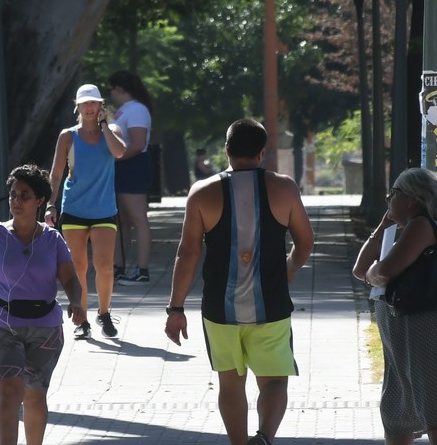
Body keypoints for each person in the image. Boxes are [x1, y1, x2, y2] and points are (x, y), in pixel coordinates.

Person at [165, 118, 314, 445]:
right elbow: (305, 244)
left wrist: (175, 308)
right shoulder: (285, 188)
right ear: (263, 153)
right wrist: (288, 270)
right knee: (275, 380)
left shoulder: (202, 193)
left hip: (220, 308)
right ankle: (264, 438)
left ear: (227, 150)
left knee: (230, 384)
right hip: (271, 306)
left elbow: (188, 252)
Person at [0, 163, 86, 445]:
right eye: (13, 195)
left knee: (34, 393)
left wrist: (76, 302)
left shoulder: (53, 240)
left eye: (24, 195)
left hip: (45, 327)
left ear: (40, 201)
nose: (16, 201)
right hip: (0, 324)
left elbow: (69, 278)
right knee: (8, 393)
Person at [352, 167, 437, 445]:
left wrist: (373, 274)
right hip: (402, 332)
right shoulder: (403, 230)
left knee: (433, 412)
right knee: (397, 412)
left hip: (426, 330)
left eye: (394, 193)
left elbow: (383, 271)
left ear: (411, 199)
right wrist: (383, 226)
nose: (389, 198)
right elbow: (360, 269)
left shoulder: (421, 226)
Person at [47, 84, 128, 339]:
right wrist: (50, 204)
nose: (90, 108)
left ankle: (104, 313)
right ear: (78, 106)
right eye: (85, 103)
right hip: (74, 208)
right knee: (78, 265)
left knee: (104, 265)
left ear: (101, 106)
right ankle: (81, 317)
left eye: (94, 103)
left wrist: (104, 126)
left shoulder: (111, 131)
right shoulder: (67, 136)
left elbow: (119, 152)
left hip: (104, 209)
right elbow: (56, 174)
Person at [106, 69, 155, 285]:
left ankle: (142, 270)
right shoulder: (123, 110)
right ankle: (120, 267)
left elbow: (137, 144)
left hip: (133, 166)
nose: (110, 94)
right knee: (121, 220)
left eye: (111, 90)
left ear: (118, 89)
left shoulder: (136, 109)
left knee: (138, 218)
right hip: (122, 167)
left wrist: (114, 159)